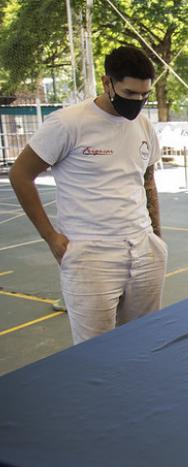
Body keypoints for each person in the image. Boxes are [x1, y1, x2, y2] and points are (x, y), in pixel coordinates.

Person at [9, 45, 165, 344]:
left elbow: (147, 179)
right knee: (94, 353)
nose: (139, 102)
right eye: (130, 94)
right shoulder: (68, 122)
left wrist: (156, 236)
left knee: (146, 342)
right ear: (108, 83)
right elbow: (20, 174)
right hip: (91, 254)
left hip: (143, 248)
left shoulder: (143, 125)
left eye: (144, 95)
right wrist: (51, 238)